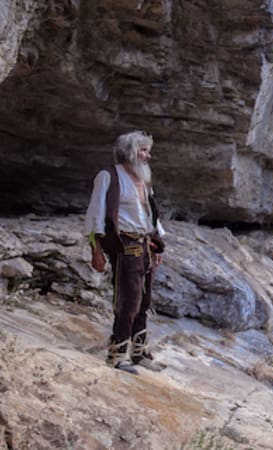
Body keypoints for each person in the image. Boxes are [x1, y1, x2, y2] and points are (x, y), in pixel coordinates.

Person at [85, 130, 166, 373]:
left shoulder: (144, 180)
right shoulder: (108, 176)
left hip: (145, 246)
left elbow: (151, 213)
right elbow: (95, 214)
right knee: (128, 301)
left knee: (144, 300)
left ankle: (140, 353)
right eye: (143, 150)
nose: (147, 156)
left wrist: (157, 243)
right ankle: (118, 355)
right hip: (126, 246)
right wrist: (96, 250)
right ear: (129, 152)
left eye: (148, 151)